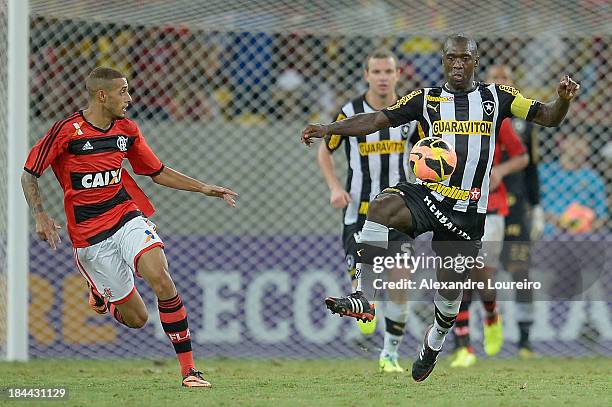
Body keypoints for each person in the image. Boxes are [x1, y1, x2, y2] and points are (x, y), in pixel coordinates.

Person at [301, 34, 580, 382]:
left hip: (467, 211)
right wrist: (329, 128)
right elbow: (375, 120)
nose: (458, 64)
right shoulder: (426, 100)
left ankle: (432, 346)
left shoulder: (499, 97)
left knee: (449, 296)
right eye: (451, 58)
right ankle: (363, 297)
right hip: (428, 195)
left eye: (465, 58)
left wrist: (563, 100)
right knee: (381, 207)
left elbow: (549, 116)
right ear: (443, 61)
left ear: (476, 62)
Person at [21, 67, 238, 388]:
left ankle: (190, 371)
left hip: (126, 218)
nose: (130, 98)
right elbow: (29, 172)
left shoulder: (126, 130)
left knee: (161, 278)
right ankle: (102, 294)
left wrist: (203, 187)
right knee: (137, 320)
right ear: (101, 95)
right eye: (123, 91)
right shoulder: (67, 131)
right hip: (89, 238)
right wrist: (39, 215)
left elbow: (156, 170)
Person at [317, 49, 417, 373]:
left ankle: (389, 354)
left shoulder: (411, 112)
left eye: (388, 71)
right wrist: (334, 187)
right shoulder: (349, 111)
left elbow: (427, 151)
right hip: (359, 211)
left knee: (400, 282)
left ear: (398, 74)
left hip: (399, 211)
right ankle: (365, 307)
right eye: (377, 72)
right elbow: (325, 149)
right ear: (366, 75)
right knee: (366, 283)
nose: (383, 77)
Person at [450, 67, 529, 366]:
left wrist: (500, 171)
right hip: (454, 204)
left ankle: (492, 313)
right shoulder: (442, 114)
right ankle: (463, 347)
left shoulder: (495, 118)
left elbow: (522, 155)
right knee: (456, 274)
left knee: (481, 272)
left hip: (491, 205)